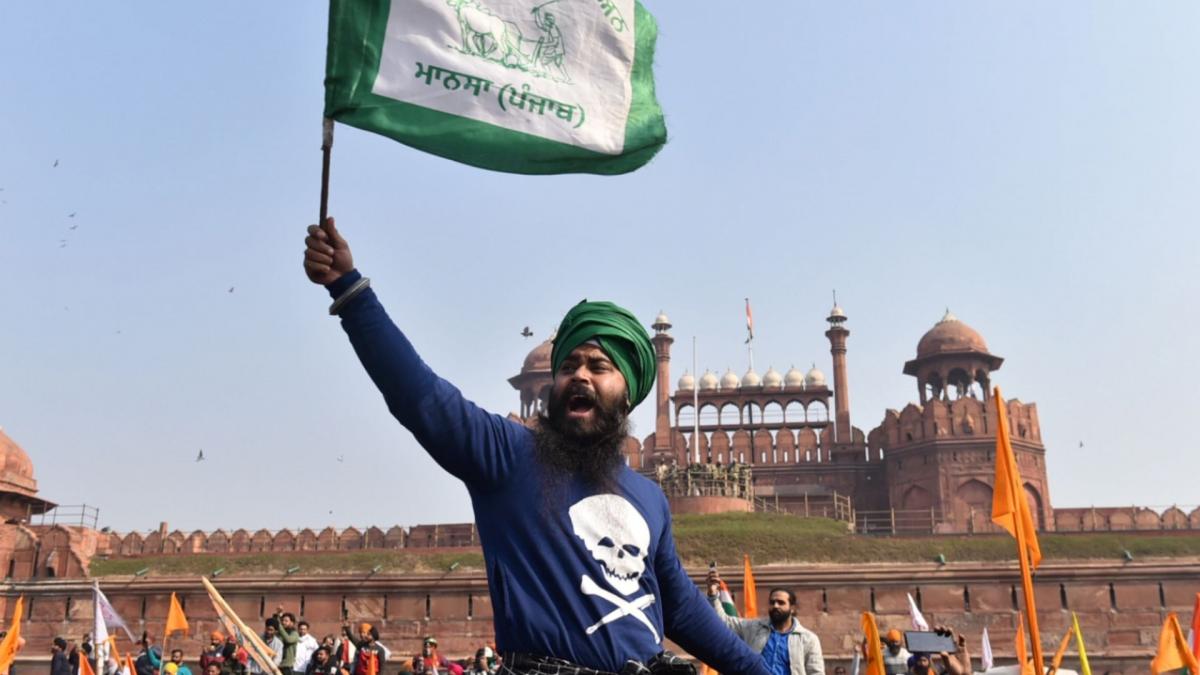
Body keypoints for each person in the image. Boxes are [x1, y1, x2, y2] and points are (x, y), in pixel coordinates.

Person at [304, 218, 769, 675]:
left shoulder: (648, 498)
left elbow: (681, 607)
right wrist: (349, 290)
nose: (580, 375)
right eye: (569, 366)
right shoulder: (508, 457)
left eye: (599, 366)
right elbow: (421, 396)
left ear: (628, 391)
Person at [704, 569, 823, 675]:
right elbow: (724, 622)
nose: (775, 606)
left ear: (792, 608)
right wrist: (713, 594)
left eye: (781, 603)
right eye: (772, 602)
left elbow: (816, 672)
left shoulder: (808, 639)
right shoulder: (753, 628)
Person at [272, 609, 300, 675]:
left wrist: (279, 626)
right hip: (277, 664)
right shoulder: (279, 633)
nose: (283, 622)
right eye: (282, 620)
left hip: (287, 666)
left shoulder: (294, 633)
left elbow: (288, 640)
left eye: (286, 621)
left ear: (292, 623)